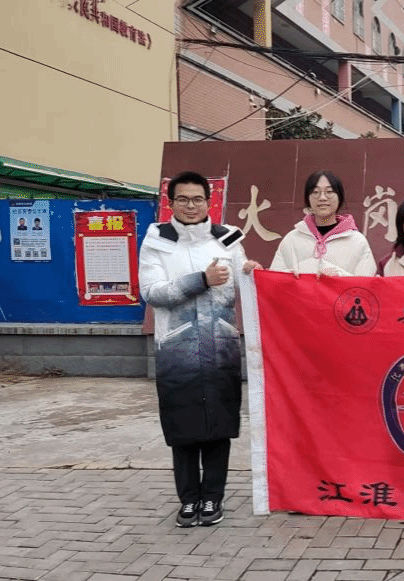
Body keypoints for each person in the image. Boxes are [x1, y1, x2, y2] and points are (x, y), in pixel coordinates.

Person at [138, 170, 260, 528]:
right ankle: (189, 500)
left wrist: (251, 272)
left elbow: (243, 284)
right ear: (171, 203)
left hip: (221, 349)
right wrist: (201, 280)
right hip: (178, 352)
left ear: (209, 202)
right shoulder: (157, 240)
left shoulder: (228, 239)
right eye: (183, 199)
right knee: (184, 429)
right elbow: (153, 293)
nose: (190, 206)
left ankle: (213, 498)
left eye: (197, 199)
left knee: (219, 429)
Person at [270, 170, 376, 276]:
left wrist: (338, 276)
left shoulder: (357, 241)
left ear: (339, 197)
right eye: (315, 192)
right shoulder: (292, 239)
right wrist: (291, 275)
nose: (322, 198)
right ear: (308, 198)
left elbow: (366, 284)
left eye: (329, 192)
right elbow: (274, 279)